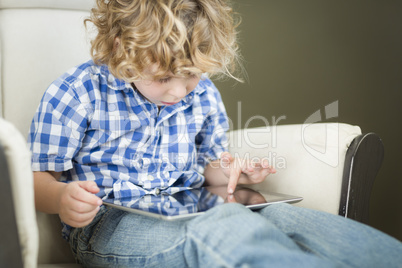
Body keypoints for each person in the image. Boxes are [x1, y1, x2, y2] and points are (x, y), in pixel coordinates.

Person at [28, 0, 402, 267]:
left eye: (190, 74)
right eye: (163, 78)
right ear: (120, 49)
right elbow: (33, 181)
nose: (179, 92)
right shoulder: (76, 93)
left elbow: (207, 166)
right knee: (225, 228)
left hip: (189, 202)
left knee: (293, 221)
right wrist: (62, 198)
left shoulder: (203, 93)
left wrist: (233, 171)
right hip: (110, 224)